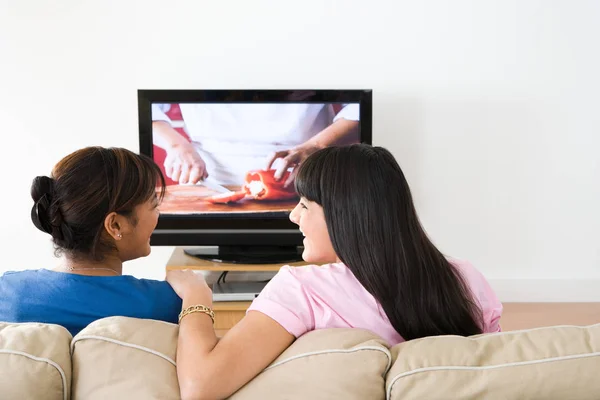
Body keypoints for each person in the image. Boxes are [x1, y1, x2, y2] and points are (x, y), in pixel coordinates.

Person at [166, 143, 503, 399]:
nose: (293, 217)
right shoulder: (465, 278)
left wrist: (197, 298)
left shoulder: (301, 288)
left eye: (304, 205)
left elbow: (201, 386)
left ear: (344, 215)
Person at [0, 147, 182, 336]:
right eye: (154, 206)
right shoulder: (166, 304)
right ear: (115, 225)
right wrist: (197, 297)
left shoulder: (8, 292)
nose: (158, 215)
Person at [152, 102, 360, 186]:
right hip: (211, 179)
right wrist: (176, 146)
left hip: (308, 175)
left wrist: (317, 146)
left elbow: (360, 107)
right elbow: (145, 106)